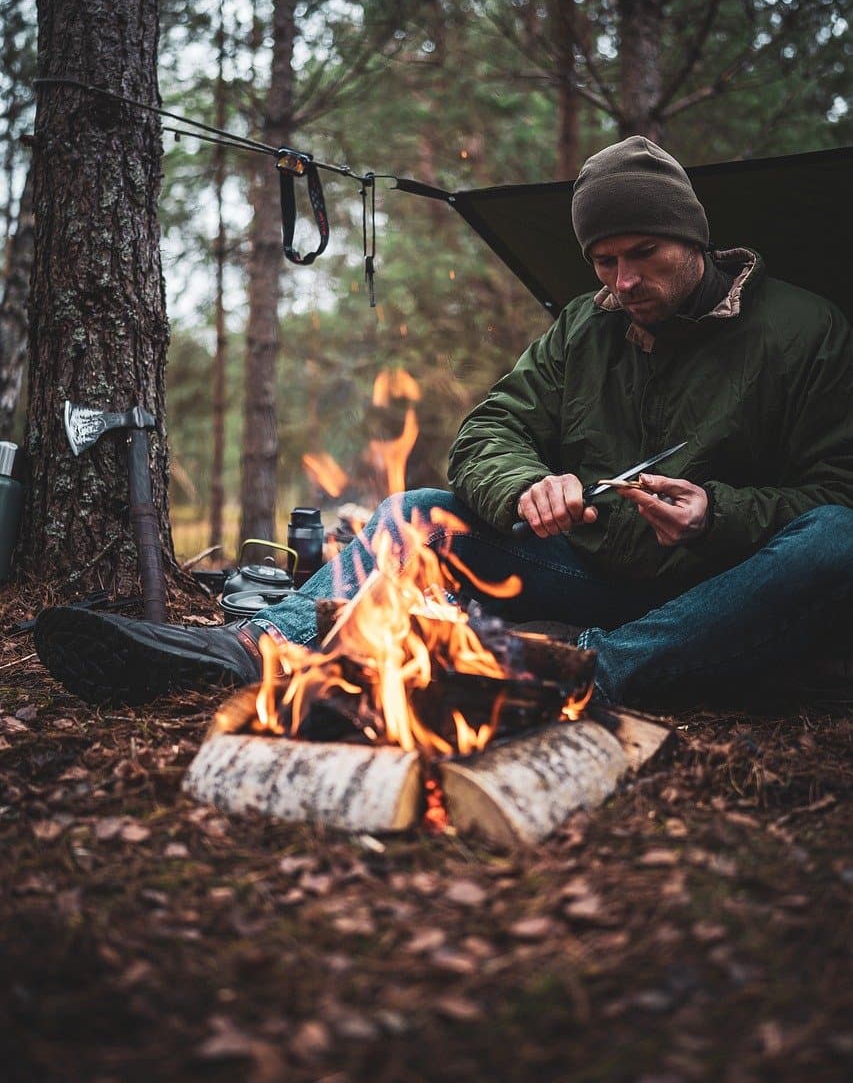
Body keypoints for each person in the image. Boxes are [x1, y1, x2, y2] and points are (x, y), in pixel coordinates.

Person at [34, 136, 853, 708]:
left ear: (693, 239)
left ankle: (586, 672)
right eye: (603, 261)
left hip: (722, 584)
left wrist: (718, 515)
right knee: (418, 512)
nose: (623, 280)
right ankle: (255, 648)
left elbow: (835, 490)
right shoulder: (585, 322)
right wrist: (525, 486)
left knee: (837, 541)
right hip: (593, 570)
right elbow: (487, 435)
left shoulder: (802, 330)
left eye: (643, 254)